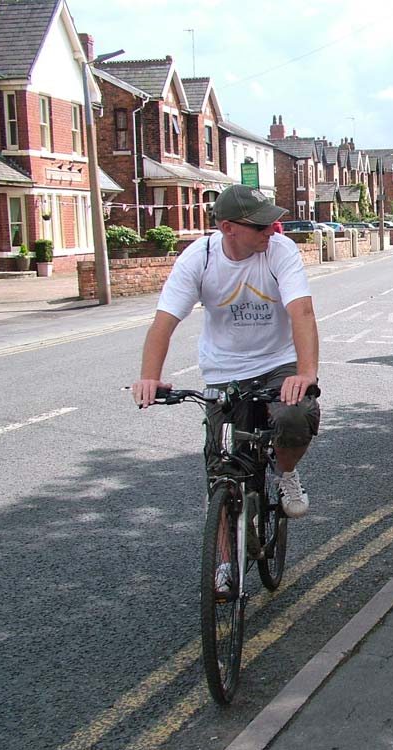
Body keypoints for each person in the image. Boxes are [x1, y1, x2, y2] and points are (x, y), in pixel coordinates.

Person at [132, 184, 321, 534]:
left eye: (271, 224)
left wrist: (306, 373)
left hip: (278, 363)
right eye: (260, 226)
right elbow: (164, 322)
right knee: (223, 466)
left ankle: (287, 472)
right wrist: (149, 376)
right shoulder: (198, 258)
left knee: (296, 417)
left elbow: (303, 313)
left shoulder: (280, 250)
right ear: (228, 228)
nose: (271, 231)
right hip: (224, 370)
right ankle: (224, 553)